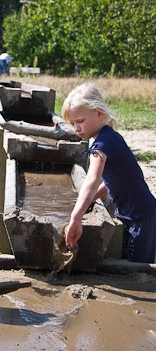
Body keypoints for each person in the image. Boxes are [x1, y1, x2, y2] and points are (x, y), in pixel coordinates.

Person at [61, 82, 156, 263]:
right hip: (132, 212)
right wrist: (90, 201)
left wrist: (76, 216)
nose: (76, 128)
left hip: (140, 217)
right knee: (126, 260)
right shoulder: (108, 137)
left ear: (99, 113)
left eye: (80, 121)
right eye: (72, 123)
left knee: (138, 269)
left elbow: (92, 180)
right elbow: (114, 181)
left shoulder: (102, 145)